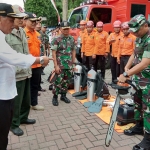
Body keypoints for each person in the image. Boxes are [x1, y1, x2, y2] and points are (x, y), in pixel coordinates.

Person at [0, 3, 51, 150]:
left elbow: (22, 53)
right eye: (11, 19)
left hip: (9, 88)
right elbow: (15, 57)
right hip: (3, 93)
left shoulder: (6, 34)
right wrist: (40, 59)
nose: (17, 22)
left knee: (3, 133)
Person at [118, 14, 150, 150]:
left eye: (137, 30)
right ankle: (138, 126)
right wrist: (128, 66)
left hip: (148, 80)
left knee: (148, 109)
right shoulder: (139, 37)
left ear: (145, 25)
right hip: (138, 79)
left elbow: (145, 63)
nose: (135, 33)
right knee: (137, 104)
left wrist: (126, 74)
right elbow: (134, 53)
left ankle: (148, 139)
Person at [5, 5, 36, 136]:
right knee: (16, 102)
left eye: (22, 18)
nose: (20, 20)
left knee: (26, 100)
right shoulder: (6, 34)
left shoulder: (22, 31)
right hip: (15, 74)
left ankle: (23, 118)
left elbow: (26, 52)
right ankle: (14, 124)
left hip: (26, 72)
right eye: (17, 18)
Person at [51, 21, 76, 106]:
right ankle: (55, 97)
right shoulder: (56, 39)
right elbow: (53, 53)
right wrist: (56, 66)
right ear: (61, 29)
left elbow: (73, 51)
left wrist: (73, 63)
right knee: (58, 81)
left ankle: (63, 96)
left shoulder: (71, 39)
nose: (66, 31)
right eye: (64, 29)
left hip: (68, 64)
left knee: (66, 81)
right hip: (60, 65)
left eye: (67, 29)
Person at [24, 12, 45, 110]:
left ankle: (34, 104)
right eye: (31, 21)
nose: (34, 23)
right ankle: (25, 106)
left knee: (35, 85)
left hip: (37, 65)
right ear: (26, 21)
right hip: (26, 65)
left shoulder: (37, 34)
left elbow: (39, 48)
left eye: (35, 21)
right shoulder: (23, 33)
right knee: (25, 87)